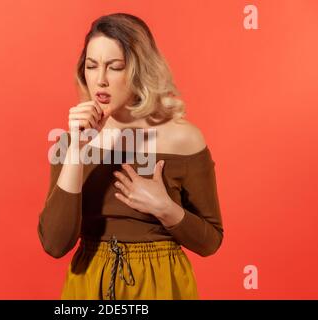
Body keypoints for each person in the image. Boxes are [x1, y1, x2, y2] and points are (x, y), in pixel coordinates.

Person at [37, 13, 224, 300]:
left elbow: (210, 242)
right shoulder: (72, 138)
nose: (100, 80)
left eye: (115, 67)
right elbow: (55, 243)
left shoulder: (183, 138)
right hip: (88, 284)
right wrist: (76, 148)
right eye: (91, 66)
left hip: (160, 283)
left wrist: (165, 208)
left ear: (139, 70)